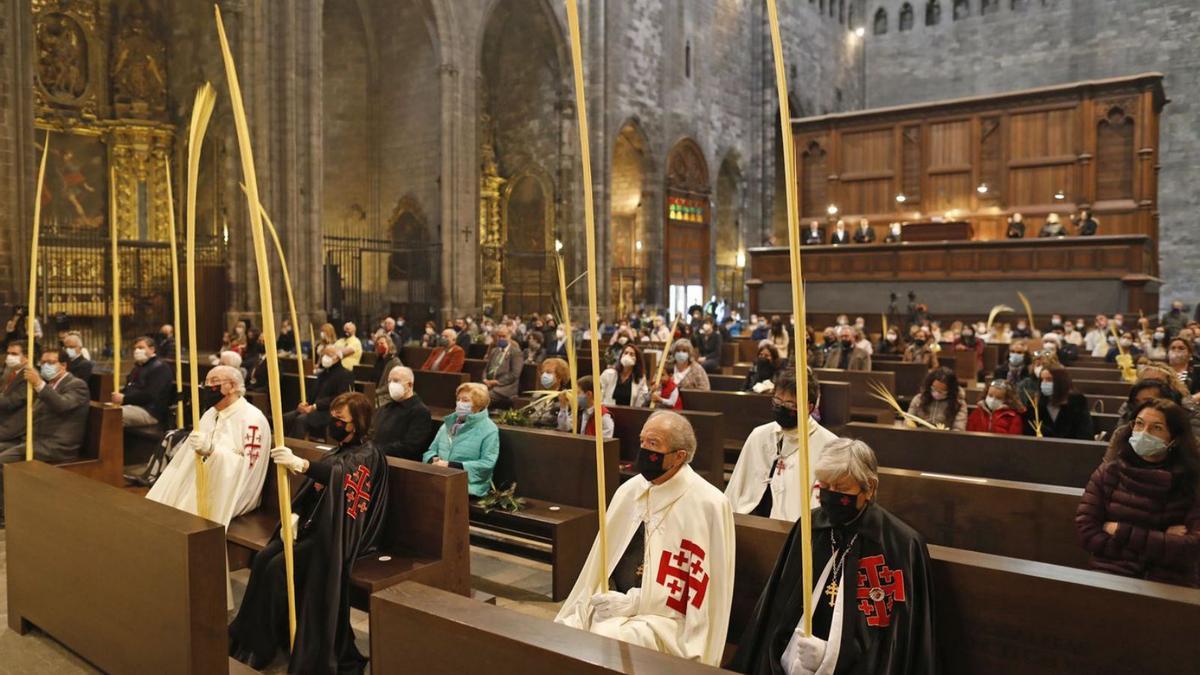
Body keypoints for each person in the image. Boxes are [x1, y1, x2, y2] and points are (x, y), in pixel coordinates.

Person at [732, 438, 939, 674]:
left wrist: (830, 655)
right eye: (825, 486)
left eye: (841, 489)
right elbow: (780, 608)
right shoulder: (811, 526)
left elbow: (891, 640)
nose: (831, 495)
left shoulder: (897, 544)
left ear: (869, 488)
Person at [556, 410, 735, 666]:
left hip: (667, 620)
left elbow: (700, 593)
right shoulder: (629, 491)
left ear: (679, 456)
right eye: (642, 441)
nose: (643, 450)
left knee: (608, 637)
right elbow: (603, 561)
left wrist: (636, 602)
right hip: (613, 600)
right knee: (570, 626)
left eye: (653, 444)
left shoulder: (708, 504)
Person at [230, 392, 388, 673]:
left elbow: (343, 477)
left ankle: (264, 644)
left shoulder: (369, 454)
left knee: (279, 567)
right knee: (265, 558)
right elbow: (323, 482)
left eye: (341, 419)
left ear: (357, 423)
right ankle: (253, 637)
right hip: (316, 528)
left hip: (341, 536)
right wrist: (295, 516)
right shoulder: (340, 449)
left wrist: (303, 465)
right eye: (333, 417)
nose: (334, 423)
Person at [146, 365, 269, 588]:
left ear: (232, 386)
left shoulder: (252, 418)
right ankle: (162, 569)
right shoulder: (211, 413)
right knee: (162, 501)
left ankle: (193, 580)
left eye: (215, 382)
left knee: (185, 511)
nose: (208, 387)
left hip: (233, 490)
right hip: (206, 479)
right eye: (206, 382)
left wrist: (212, 451)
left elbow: (248, 470)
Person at [1075, 399, 1200, 586]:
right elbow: (1086, 532)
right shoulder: (1109, 472)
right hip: (1109, 574)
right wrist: (1162, 540)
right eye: (1139, 424)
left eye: (1156, 428)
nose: (1144, 433)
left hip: (1167, 582)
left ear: (1174, 438)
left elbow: (1193, 548)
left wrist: (1120, 531)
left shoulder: (1191, 481)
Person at [727, 370, 838, 520]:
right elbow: (736, 488)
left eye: (790, 404)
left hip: (794, 529)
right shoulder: (759, 435)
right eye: (777, 401)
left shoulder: (829, 445)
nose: (781, 408)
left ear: (809, 408)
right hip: (753, 519)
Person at [0, 347, 91, 527]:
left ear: (63, 365)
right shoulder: (51, 385)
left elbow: (62, 405)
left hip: (56, 445)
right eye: (43, 363)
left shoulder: (76, 385)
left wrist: (38, 384)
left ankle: (6, 514)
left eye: (51, 363)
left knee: (2, 462)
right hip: (37, 440)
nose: (45, 366)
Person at [423, 382, 499, 498]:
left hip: (469, 487)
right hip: (439, 478)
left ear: (478, 405)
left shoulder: (489, 429)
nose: (459, 403)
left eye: (465, 400)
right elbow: (430, 451)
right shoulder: (447, 425)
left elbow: (487, 464)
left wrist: (450, 466)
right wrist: (433, 460)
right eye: (458, 399)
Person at [284, 345, 354, 438]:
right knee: (287, 417)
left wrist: (315, 406)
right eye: (324, 354)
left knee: (301, 420)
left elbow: (339, 398)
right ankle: (287, 444)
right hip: (313, 409)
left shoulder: (345, 374)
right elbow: (313, 392)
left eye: (328, 355)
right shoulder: (322, 374)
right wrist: (305, 403)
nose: (325, 357)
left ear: (337, 357)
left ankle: (296, 448)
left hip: (328, 412)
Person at [111, 336, 174, 428]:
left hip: (150, 411)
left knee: (112, 416)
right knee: (104, 411)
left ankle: (112, 442)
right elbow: (129, 389)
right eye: (135, 348)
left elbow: (150, 395)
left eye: (141, 348)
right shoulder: (138, 368)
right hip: (133, 406)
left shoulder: (160, 368)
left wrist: (124, 399)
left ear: (152, 349)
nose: (137, 351)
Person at [373, 366, 434, 461]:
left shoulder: (420, 411)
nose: (391, 385)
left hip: (399, 464)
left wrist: (376, 451)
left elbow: (410, 446)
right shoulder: (386, 407)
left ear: (409, 385)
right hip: (377, 458)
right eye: (389, 381)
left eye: (396, 380)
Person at [1027, 367, 1094, 439]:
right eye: (1042, 380)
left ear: (1061, 382)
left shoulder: (1077, 402)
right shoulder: (1036, 404)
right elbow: (1029, 432)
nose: (1044, 383)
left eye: (1049, 379)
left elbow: (1085, 433)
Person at [558, 375, 614, 439]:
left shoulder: (603, 416)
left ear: (589, 394)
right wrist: (563, 407)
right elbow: (564, 428)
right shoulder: (579, 411)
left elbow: (606, 441)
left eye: (578, 393)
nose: (575, 396)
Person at [481, 325, 524, 408]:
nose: (501, 339)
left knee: (482, 398)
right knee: (472, 392)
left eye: (504, 336)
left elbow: (514, 374)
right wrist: (485, 379)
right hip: (489, 384)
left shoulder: (516, 352)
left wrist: (497, 382)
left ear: (509, 336)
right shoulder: (494, 350)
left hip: (505, 387)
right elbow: (486, 369)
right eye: (499, 336)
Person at [0, 343, 31, 445]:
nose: (9, 357)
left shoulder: (29, 375)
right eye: (8, 353)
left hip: (14, 426)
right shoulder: (10, 372)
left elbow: (13, 401)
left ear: (26, 357)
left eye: (14, 354)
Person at [369, 335, 402, 408]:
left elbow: (393, 384)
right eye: (377, 344)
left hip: (386, 396)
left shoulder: (395, 362)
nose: (379, 346)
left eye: (382, 343)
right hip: (374, 393)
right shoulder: (378, 360)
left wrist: (376, 392)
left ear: (389, 345)